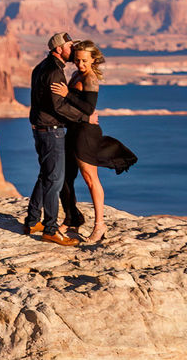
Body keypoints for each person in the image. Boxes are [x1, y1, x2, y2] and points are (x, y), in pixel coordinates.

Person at [53, 40, 137, 246]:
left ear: (93, 60)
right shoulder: (75, 75)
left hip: (85, 134)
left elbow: (88, 108)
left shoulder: (90, 79)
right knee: (65, 177)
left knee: (90, 178)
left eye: (84, 61)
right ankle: (72, 218)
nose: (80, 64)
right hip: (73, 131)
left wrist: (66, 96)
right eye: (78, 60)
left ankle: (100, 225)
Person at [24, 31, 82, 245]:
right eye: (70, 47)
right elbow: (59, 106)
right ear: (59, 49)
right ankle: (50, 229)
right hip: (51, 130)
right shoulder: (55, 72)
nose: (73, 50)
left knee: (45, 174)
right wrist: (83, 117)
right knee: (55, 181)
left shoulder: (40, 67)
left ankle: (31, 221)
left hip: (39, 128)